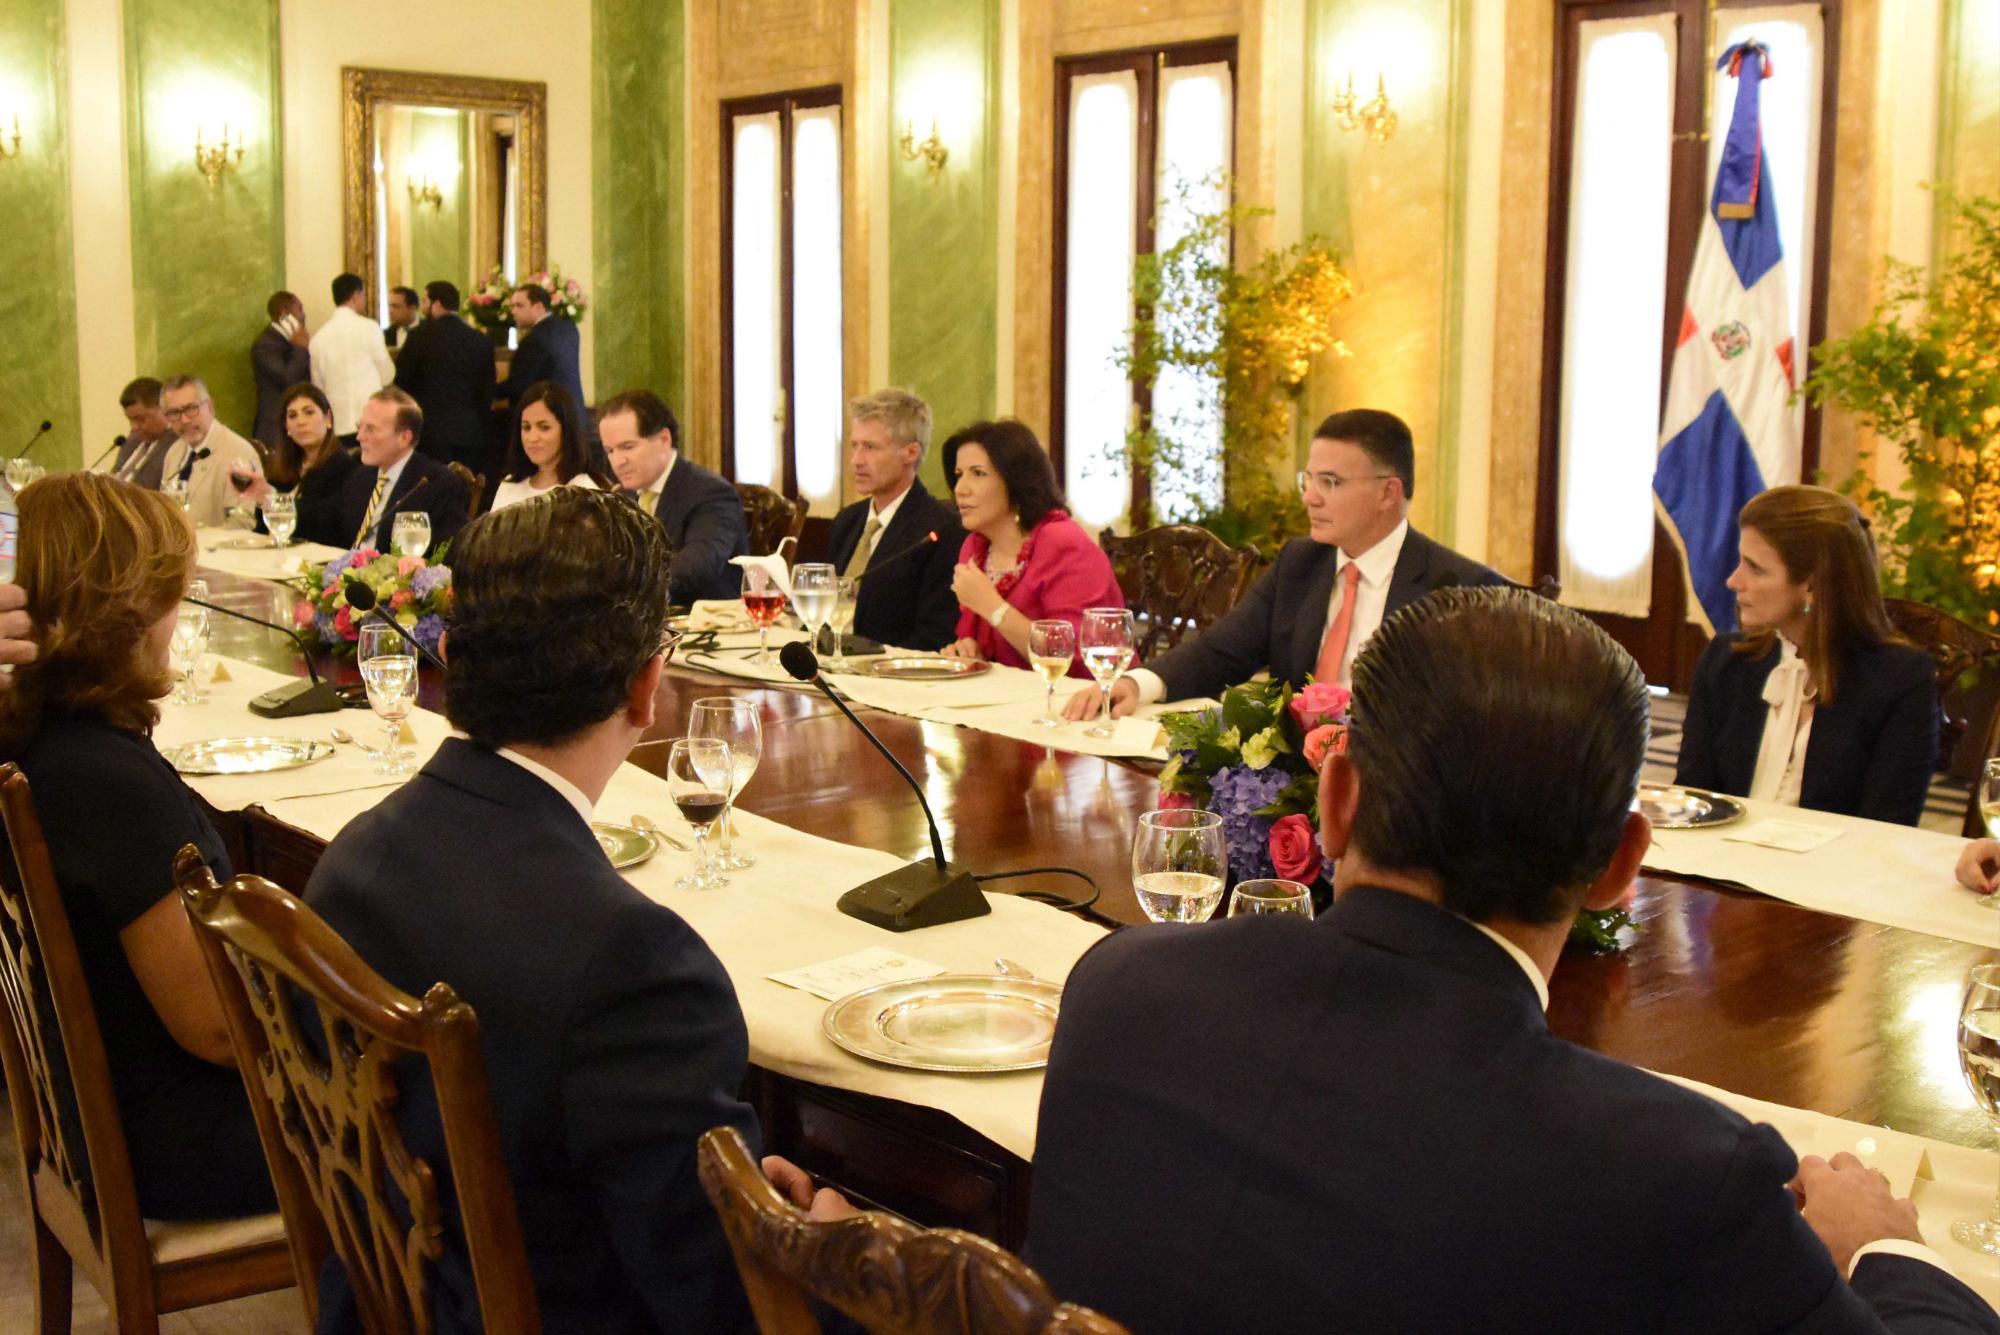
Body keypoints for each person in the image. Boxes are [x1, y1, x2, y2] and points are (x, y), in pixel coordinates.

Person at [1026, 587, 1998, 1333]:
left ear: (1333, 803)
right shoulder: (1675, 1175)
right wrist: (1883, 1248)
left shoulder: (1121, 985)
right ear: (1620, 865)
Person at [303, 487, 760, 1333]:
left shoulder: (355, 855)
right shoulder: (633, 961)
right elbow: (722, 1297)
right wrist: (811, 1239)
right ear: (646, 683)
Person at [0, 473, 276, 1220]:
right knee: (459, 1113)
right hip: (182, 1138)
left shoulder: (40, 744)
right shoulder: (106, 781)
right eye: (170, 596)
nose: (173, 620)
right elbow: (219, 1029)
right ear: (119, 609)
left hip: (107, 1120)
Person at [1064, 407, 1506, 720]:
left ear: (1388, 493)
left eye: (1330, 482)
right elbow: (1222, 651)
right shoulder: (1301, 563)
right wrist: (1136, 684)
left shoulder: (1455, 587)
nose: (1310, 497)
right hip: (1293, 783)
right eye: (1308, 479)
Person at [1676, 484, 1939, 826]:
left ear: (1812, 585)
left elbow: (1888, 826)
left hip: (1834, 873)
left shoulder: (1900, 680)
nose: (1733, 580)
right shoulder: (1725, 662)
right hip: (1716, 871)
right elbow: (1694, 802)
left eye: (1755, 568)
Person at [937, 419, 1123, 675]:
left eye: (978, 473)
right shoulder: (975, 548)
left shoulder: (1063, 544)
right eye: (959, 475)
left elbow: (1077, 659)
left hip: (1082, 700)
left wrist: (993, 608)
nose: (960, 489)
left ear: (1016, 480)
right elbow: (986, 647)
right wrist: (967, 651)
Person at [825, 389, 964, 651]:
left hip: (892, 678)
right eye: (854, 446)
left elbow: (934, 636)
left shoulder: (941, 530)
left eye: (870, 447)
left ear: (910, 453)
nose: (856, 461)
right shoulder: (848, 521)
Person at [597, 389, 748, 605]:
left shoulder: (710, 493)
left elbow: (696, 568)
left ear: (664, 439)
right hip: (640, 626)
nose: (618, 461)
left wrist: (622, 585)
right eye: (610, 451)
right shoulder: (622, 496)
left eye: (627, 447)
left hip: (705, 625)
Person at [299, 386, 468, 556]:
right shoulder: (361, 476)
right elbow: (322, 520)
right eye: (360, 427)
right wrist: (277, 509)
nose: (359, 437)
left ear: (404, 438)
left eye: (371, 429)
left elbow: (446, 553)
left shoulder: (436, 483)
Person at [393, 280, 498, 472]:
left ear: (437, 304)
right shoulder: (479, 340)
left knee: (433, 492)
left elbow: (402, 384)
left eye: (425, 301)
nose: (423, 307)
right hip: (470, 433)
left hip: (429, 434)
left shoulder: (418, 336)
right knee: (467, 490)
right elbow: (486, 391)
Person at [236, 384, 360, 539]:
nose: (301, 422)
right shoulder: (281, 467)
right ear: (286, 427)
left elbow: (326, 524)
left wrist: (273, 499)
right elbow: (262, 527)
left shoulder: (344, 466)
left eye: (309, 412)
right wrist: (262, 499)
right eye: (292, 416)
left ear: (328, 419)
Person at [158, 374, 262, 527]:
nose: (185, 420)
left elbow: (241, 523)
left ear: (210, 407)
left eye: (191, 409)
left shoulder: (239, 452)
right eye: (174, 413)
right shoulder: (174, 452)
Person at [490, 382, 607, 512]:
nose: (532, 438)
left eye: (544, 428)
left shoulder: (584, 491)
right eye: (526, 427)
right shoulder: (510, 485)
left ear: (566, 430)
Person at [310, 272, 395, 445]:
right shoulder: (369, 328)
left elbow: (317, 386)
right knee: (373, 470)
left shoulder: (319, 337)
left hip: (336, 422)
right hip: (370, 419)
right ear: (356, 295)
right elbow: (387, 374)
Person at [499, 283, 585, 415]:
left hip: (548, 415)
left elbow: (518, 385)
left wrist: (486, 390)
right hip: (574, 412)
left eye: (519, 305)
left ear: (538, 307)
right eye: (512, 306)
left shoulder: (534, 339)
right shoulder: (569, 328)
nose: (513, 311)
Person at [251, 289, 311, 450]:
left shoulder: (292, 342)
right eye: (299, 309)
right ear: (284, 314)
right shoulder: (265, 345)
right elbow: (287, 378)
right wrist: (301, 348)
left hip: (295, 424)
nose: (303, 315)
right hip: (275, 429)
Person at [110, 376, 175, 489]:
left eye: (140, 419)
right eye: (130, 419)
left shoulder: (177, 445)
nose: (134, 427)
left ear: (164, 409)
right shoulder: (131, 442)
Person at [385, 285, 420, 351]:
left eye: (395, 306)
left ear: (412, 308)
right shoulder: (386, 334)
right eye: (389, 306)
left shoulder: (430, 332)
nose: (390, 311)